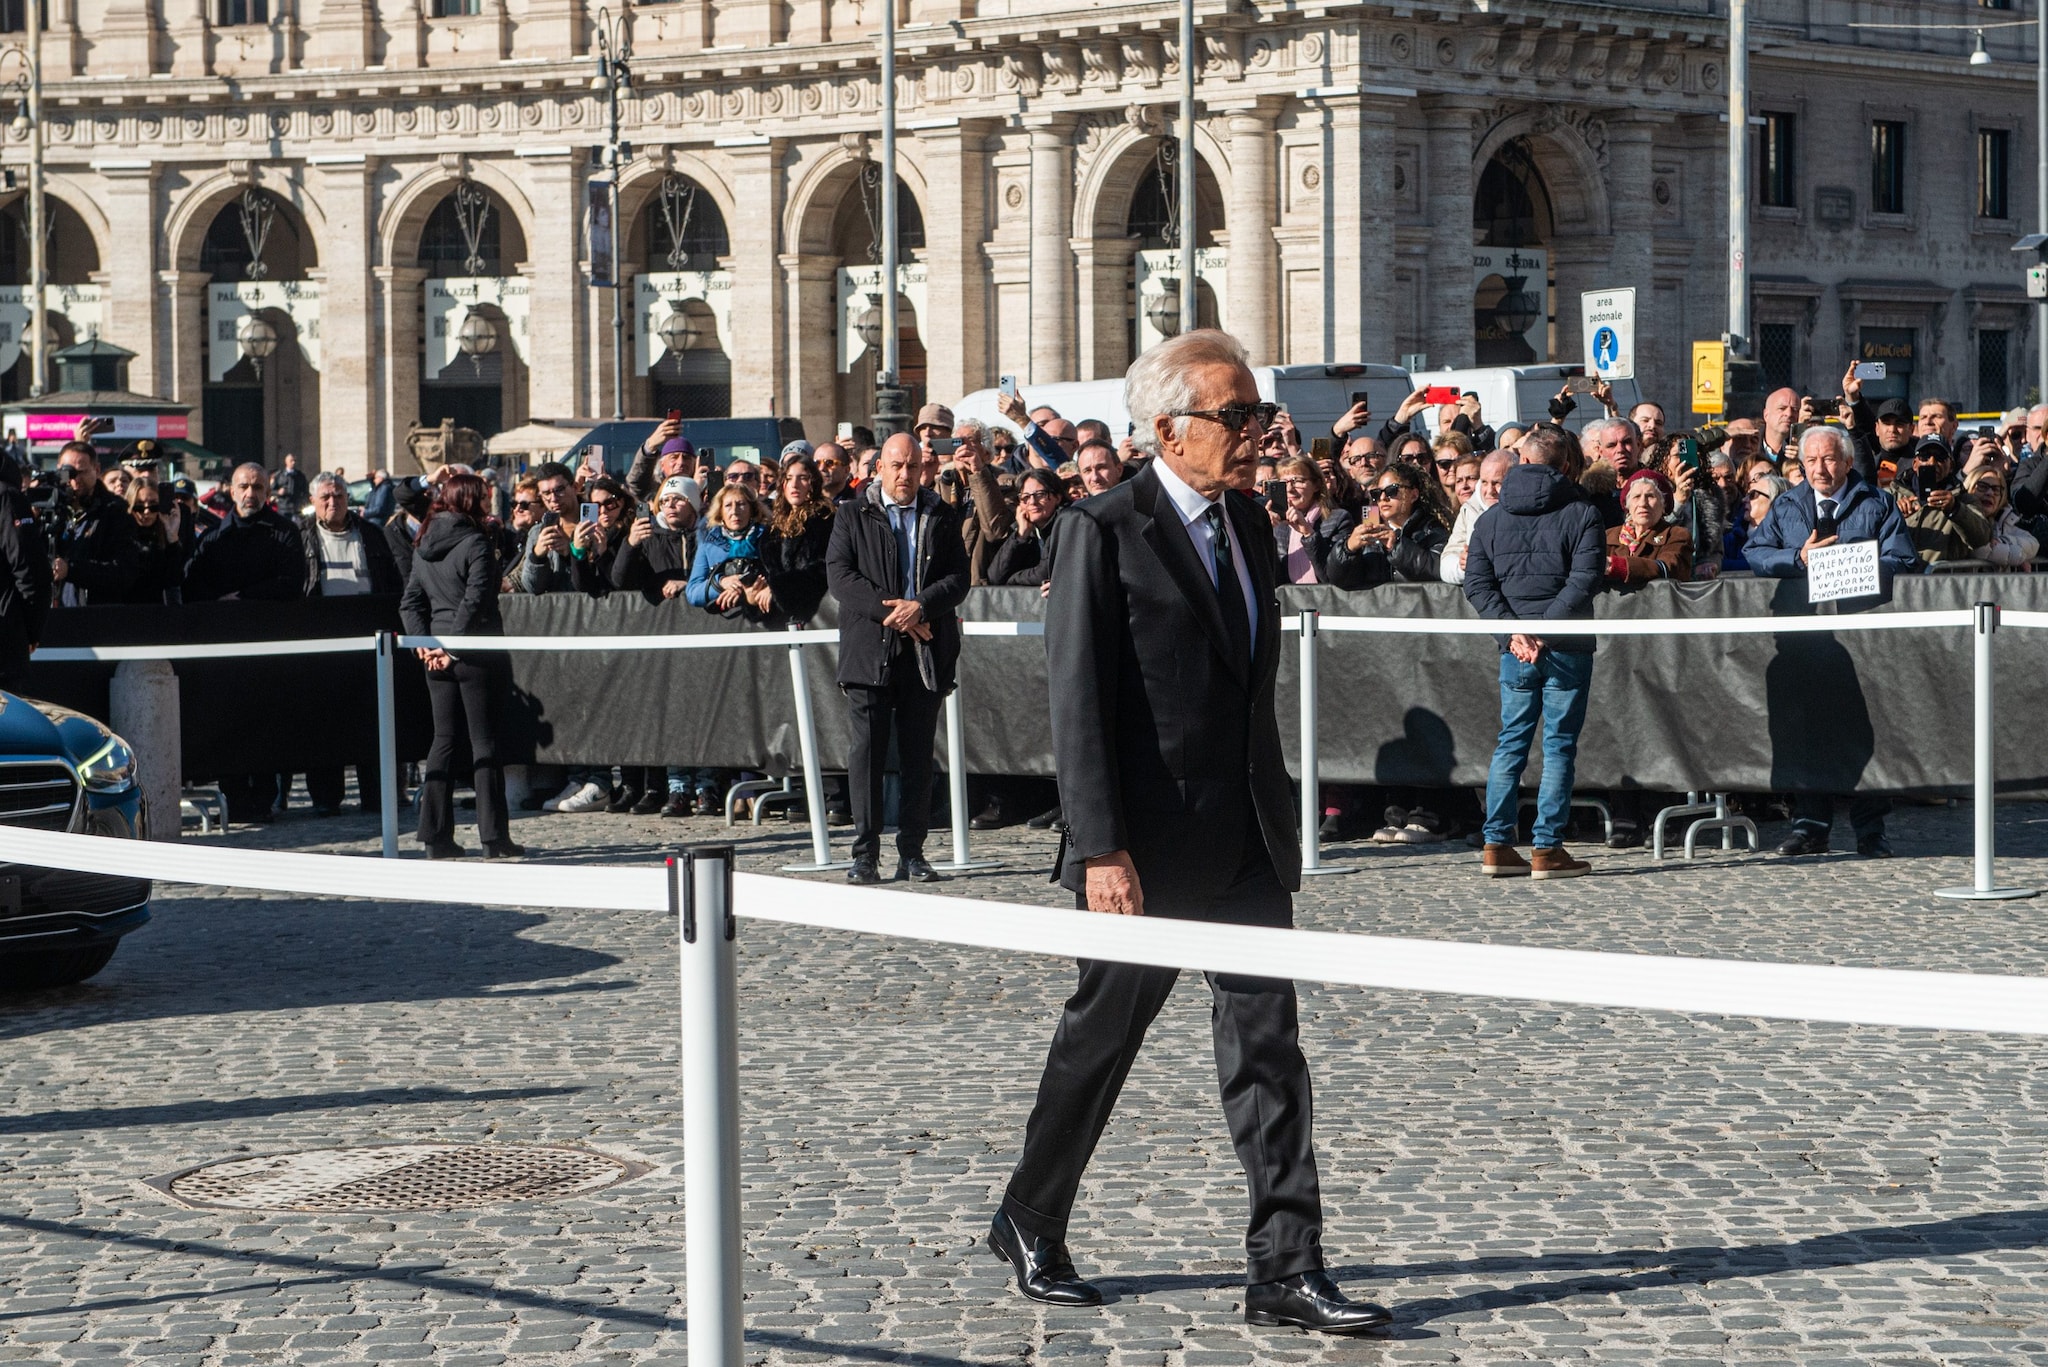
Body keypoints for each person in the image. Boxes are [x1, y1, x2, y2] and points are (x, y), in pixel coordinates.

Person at [994, 329, 1389, 1336]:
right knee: (1100, 1040)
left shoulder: (1251, 523)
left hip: (1243, 838)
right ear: (1169, 427)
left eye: (1257, 414)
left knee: (1268, 1051)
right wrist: (1099, 848)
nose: (1256, 433)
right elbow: (1076, 701)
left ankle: (1285, 1264)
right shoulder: (1101, 527)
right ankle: (1029, 1215)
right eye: (1235, 415)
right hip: (1141, 845)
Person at [1743, 425, 1919, 858]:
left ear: (1847, 462)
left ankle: (1870, 829)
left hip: (1863, 640)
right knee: (1809, 731)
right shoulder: (1785, 506)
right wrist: (1797, 558)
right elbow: (1755, 554)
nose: (1820, 469)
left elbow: (1904, 558)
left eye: (1829, 459)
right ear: (1800, 465)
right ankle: (1810, 826)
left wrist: (1855, 564)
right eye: (1811, 461)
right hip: (1806, 639)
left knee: (1867, 731)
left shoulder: (1877, 502)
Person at [825, 432, 969, 886]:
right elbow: (841, 577)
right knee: (866, 755)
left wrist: (921, 606)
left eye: (911, 466)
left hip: (924, 654)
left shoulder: (940, 514)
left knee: (917, 757)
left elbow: (958, 578)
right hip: (870, 652)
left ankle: (913, 852)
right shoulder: (852, 514)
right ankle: (864, 855)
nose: (904, 474)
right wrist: (899, 612)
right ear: (879, 468)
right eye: (895, 465)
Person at [1463, 424, 1605, 880]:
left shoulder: (1489, 517)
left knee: (1511, 744)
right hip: (1565, 645)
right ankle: (1546, 848)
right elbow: (1584, 580)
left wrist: (1515, 634)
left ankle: (1496, 844)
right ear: (1566, 466)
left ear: (1521, 461)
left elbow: (1477, 585)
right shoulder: (1582, 512)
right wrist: (1540, 630)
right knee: (1558, 747)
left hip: (1516, 648)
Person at [399, 472, 520, 860]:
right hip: (475, 652)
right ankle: (494, 838)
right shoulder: (476, 543)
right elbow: (478, 600)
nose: (490, 502)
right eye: (484, 497)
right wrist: (451, 647)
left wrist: (426, 644)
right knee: (484, 741)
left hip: (437, 652)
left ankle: (434, 836)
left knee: (444, 740)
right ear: (472, 501)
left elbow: (410, 603)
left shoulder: (423, 544)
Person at [184, 464, 307, 602]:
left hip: (271, 620)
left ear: (267, 493)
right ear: (232, 492)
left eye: (257, 487)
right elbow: (194, 585)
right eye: (243, 487)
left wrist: (243, 596)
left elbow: (292, 583)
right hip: (223, 620)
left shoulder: (286, 532)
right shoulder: (212, 537)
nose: (250, 494)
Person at [1325, 460, 1449, 589]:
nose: (1383, 498)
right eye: (1377, 494)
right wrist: (1347, 549)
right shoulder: (1370, 533)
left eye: (1392, 490)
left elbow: (1438, 571)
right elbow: (1337, 580)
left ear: (1413, 495)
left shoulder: (1432, 531)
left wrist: (1396, 546)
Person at [52, 441, 139, 605]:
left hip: (97, 616)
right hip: (57, 614)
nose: (75, 479)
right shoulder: (54, 510)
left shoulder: (115, 511)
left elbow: (123, 572)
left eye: (82, 472)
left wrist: (72, 570)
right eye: (68, 473)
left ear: (97, 470)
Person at [300, 472, 403, 598]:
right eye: (325, 497)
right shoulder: (300, 537)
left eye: (338, 496)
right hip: (318, 615)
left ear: (347, 498)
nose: (332, 502)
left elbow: (391, 581)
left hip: (367, 614)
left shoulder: (372, 534)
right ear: (313, 501)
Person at [687, 483, 779, 624]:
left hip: (768, 619)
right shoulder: (709, 543)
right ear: (720, 511)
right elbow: (693, 592)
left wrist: (758, 588)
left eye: (741, 504)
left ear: (752, 509)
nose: (735, 511)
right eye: (728, 505)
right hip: (726, 625)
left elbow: (783, 575)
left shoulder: (771, 538)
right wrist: (722, 583)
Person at [761, 453, 835, 622]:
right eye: (789, 478)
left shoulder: (825, 519)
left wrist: (778, 588)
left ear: (812, 483)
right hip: (778, 618)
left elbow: (825, 568)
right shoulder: (773, 525)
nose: (794, 484)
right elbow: (766, 568)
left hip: (817, 616)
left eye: (802, 478)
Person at [614, 474, 701, 604]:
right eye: (664, 500)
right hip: (661, 620)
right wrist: (630, 544)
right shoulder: (649, 537)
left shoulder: (709, 536)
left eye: (678, 499)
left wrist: (689, 585)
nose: (670, 505)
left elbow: (721, 577)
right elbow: (621, 582)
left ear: (693, 504)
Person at [1266, 455, 1352, 585]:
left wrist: (1308, 533)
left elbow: (1332, 575)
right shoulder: (1278, 526)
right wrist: (1263, 533)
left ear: (1316, 485)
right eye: (1284, 483)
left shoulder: (1338, 519)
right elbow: (1270, 578)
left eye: (1297, 481)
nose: (1290, 489)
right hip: (1288, 601)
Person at [1604, 471, 1693, 584]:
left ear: (1664, 504)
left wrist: (1617, 566)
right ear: (1627, 505)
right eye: (1636, 497)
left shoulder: (1676, 535)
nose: (1643, 503)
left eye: (1650, 496)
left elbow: (1669, 569)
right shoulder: (1608, 537)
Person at [1441, 450, 1510, 586]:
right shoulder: (1469, 510)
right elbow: (1446, 562)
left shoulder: (1524, 507)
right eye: (1484, 482)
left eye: (1497, 483)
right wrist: (1462, 566)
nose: (1490, 490)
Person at [986, 468, 1064, 586]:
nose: (1032, 502)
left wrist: (1012, 579)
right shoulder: (1024, 529)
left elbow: (1044, 574)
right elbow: (995, 576)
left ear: (1057, 498)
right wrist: (1021, 536)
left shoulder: (1065, 525)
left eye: (1040, 495)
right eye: (1025, 497)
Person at [118, 480, 186, 605]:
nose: (146, 512)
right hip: (124, 611)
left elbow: (175, 580)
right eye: (139, 505)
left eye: (153, 505)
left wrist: (172, 537)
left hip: (156, 614)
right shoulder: (120, 536)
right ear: (130, 505)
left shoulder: (164, 538)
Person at [1964, 467, 2037, 567]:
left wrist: (2003, 541)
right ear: (1969, 488)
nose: (1990, 493)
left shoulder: (2003, 521)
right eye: (1982, 486)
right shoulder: (1961, 519)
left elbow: (2033, 544)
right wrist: (2019, 558)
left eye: (1996, 489)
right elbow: (1980, 550)